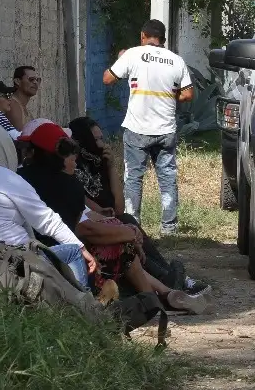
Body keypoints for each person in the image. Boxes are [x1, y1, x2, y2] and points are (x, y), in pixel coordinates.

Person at [18, 122, 208, 313]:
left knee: (122, 229)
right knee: (120, 244)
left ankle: (162, 294)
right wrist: (127, 234)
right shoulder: (68, 184)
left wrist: (124, 229)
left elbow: (102, 214)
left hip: (32, 249)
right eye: (69, 151)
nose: (74, 157)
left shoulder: (20, 177)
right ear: (57, 154)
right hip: (57, 254)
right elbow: (84, 230)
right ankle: (158, 297)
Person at [0, 125, 98, 290]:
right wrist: (81, 247)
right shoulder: (8, 178)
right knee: (72, 252)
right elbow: (47, 221)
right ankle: (83, 308)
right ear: (4, 149)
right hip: (13, 265)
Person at [67, 116, 210, 296]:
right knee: (127, 225)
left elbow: (118, 207)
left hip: (111, 222)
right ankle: (170, 281)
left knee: (128, 221)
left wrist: (111, 168)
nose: (102, 145)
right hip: (94, 229)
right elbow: (98, 211)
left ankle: (170, 279)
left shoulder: (98, 165)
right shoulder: (73, 172)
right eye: (96, 140)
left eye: (102, 138)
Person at [103, 19, 194, 235]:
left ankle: (133, 225)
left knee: (134, 177)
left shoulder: (133, 54)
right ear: (163, 39)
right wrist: (169, 94)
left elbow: (107, 79)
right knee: (167, 176)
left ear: (143, 36)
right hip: (165, 129)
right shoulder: (176, 60)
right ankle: (169, 227)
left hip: (137, 128)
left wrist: (121, 60)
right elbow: (188, 94)